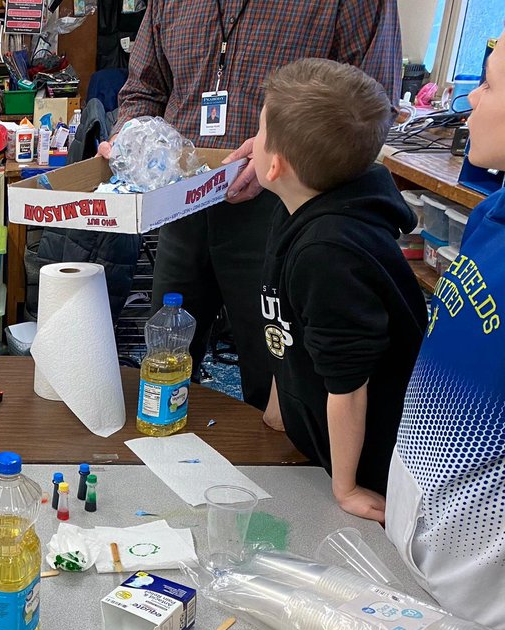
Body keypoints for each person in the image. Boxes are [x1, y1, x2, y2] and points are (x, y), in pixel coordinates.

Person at [98, 0, 402, 412]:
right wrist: (129, 137)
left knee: (276, 376)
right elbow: (143, 89)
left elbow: (371, 107)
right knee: (166, 363)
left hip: (282, 204)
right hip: (181, 199)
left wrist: (278, 149)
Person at [251, 58, 425, 523]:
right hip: (313, 429)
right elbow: (283, 323)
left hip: (365, 454)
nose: (253, 138)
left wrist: (346, 487)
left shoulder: (329, 253)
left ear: (276, 165)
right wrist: (278, 411)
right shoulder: (296, 203)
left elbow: (349, 385)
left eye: (260, 130)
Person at [386, 32, 505, 630]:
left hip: (481, 591)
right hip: (418, 525)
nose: (471, 100)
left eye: (489, 85)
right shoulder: (491, 212)